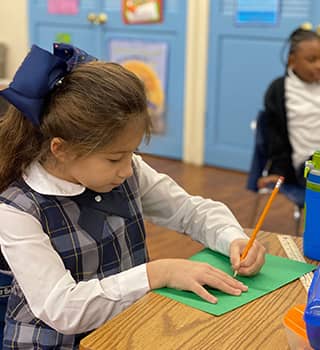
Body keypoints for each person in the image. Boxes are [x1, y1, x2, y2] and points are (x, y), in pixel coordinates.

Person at [0, 43, 265, 348]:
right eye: (114, 158)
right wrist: (158, 273)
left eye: (133, 152)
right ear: (61, 149)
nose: (128, 169)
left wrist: (233, 239)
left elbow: (189, 211)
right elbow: (62, 308)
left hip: (125, 329)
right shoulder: (17, 209)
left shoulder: (127, 171)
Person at [258, 24, 320, 190]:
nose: (318, 65)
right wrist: (278, 169)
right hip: (310, 164)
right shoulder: (280, 90)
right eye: (311, 60)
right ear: (292, 61)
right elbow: (275, 136)